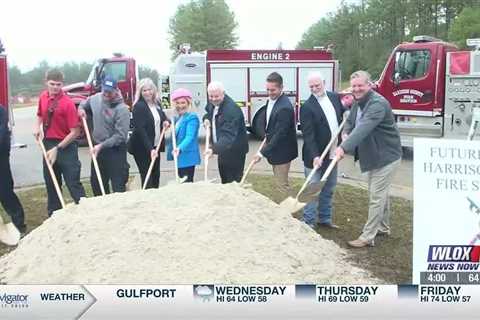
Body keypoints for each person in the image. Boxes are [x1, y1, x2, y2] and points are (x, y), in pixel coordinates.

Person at [335, 70, 402, 248]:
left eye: (360, 85)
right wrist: (345, 133)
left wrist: (343, 147)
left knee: (376, 196)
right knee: (380, 193)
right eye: (354, 86)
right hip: (374, 155)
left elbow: (363, 128)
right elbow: (350, 123)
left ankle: (367, 237)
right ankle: (383, 227)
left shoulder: (377, 104)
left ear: (369, 85)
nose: (357, 89)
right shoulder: (358, 102)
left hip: (386, 156)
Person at [33, 69, 85, 216]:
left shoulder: (67, 104)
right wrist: (36, 127)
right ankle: (54, 215)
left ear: (62, 84)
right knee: (51, 182)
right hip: (48, 143)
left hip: (66, 146)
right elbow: (39, 115)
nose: (55, 87)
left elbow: (75, 132)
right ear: (46, 83)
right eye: (52, 84)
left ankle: (84, 213)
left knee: (72, 183)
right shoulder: (43, 97)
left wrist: (58, 148)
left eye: (58, 84)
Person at [300, 72, 345, 229]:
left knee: (329, 187)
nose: (314, 89)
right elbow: (308, 135)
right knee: (312, 189)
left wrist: (343, 136)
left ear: (324, 83)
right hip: (315, 157)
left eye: (317, 85)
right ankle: (308, 221)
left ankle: (324, 219)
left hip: (332, 154)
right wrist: (315, 156)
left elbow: (340, 119)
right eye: (311, 86)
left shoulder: (334, 97)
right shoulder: (307, 107)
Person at [78, 75, 130, 196]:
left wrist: (101, 146)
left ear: (116, 91)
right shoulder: (95, 99)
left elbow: (120, 136)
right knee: (97, 184)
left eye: (110, 92)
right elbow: (83, 104)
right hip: (98, 149)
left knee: (118, 186)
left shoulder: (122, 109)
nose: (106, 94)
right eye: (104, 90)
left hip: (115, 151)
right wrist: (81, 110)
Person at [253, 72, 298, 199]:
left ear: (281, 87)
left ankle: (287, 213)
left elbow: (279, 135)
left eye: (273, 90)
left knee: (281, 184)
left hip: (282, 152)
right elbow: (270, 128)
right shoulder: (272, 101)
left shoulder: (284, 107)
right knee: (279, 183)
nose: (269, 92)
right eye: (267, 89)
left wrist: (261, 153)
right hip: (275, 149)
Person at [203, 81, 249, 183]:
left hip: (234, 152)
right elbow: (209, 113)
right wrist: (206, 119)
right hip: (223, 150)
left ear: (223, 93)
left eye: (216, 96)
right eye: (211, 96)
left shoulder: (231, 110)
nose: (213, 99)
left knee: (233, 182)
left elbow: (227, 136)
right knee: (224, 178)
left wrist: (213, 149)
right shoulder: (213, 103)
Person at [129, 78, 170, 188]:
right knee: (147, 176)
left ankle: (156, 199)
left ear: (154, 90)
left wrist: (166, 122)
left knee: (156, 174)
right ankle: (147, 200)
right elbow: (141, 130)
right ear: (140, 92)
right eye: (144, 90)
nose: (147, 93)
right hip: (142, 147)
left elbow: (163, 117)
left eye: (149, 89)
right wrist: (150, 149)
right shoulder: (139, 106)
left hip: (155, 145)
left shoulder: (157, 103)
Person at [0, 105, 26, 233]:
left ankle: (19, 224)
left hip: (1, 156)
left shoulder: (1, 110)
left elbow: (2, 131)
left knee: (5, 191)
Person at [167, 88, 201, 182]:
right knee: (181, 183)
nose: (180, 105)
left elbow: (189, 137)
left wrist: (179, 148)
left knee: (186, 184)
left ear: (188, 103)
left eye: (183, 102)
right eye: (177, 103)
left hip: (187, 157)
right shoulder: (178, 118)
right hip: (179, 157)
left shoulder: (192, 118)